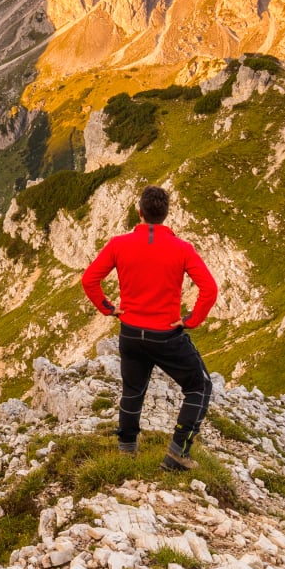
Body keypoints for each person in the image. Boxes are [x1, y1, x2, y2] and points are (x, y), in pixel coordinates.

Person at [79, 184, 219, 470]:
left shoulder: (119, 244)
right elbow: (209, 289)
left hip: (130, 332)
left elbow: (89, 280)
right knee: (200, 387)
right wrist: (191, 320)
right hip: (166, 335)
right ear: (166, 215)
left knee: (132, 391)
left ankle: (126, 452)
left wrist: (109, 308)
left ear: (139, 212)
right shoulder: (182, 249)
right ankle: (178, 453)